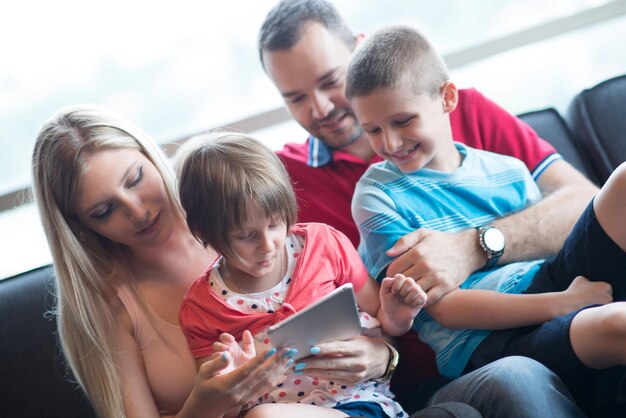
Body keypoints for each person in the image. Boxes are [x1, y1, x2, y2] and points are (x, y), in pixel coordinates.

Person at [257, 0, 595, 414]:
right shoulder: (285, 185)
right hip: (439, 375)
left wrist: (477, 245)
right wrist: (380, 354)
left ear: (361, 51)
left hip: (545, 293)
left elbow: (582, 202)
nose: (320, 108)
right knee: (515, 376)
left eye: (330, 81)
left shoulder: (457, 108)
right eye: (295, 98)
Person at [347, 23, 626, 405]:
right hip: (484, 340)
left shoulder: (507, 170)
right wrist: (561, 303)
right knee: (615, 323)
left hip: (549, 280)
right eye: (373, 130)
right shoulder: (376, 197)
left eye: (402, 121)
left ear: (447, 98)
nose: (389, 143)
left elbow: (548, 250)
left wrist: (563, 293)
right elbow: (445, 310)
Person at [31, 105, 302, 418]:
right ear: (79, 226)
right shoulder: (107, 307)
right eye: (104, 211)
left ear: (152, 156)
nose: (137, 211)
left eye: (135, 179)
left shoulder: (240, 209)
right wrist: (202, 406)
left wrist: (374, 352)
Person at [177, 131, 429, 418]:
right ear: (204, 233)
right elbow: (219, 405)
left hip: (357, 402)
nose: (268, 244)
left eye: (275, 224)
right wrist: (238, 381)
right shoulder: (200, 309)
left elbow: (385, 325)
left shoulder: (324, 244)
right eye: (246, 236)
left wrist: (398, 314)